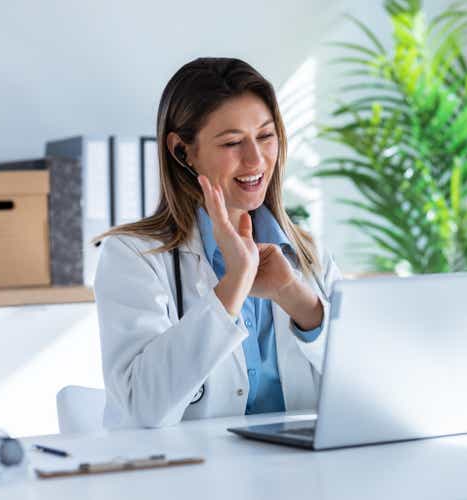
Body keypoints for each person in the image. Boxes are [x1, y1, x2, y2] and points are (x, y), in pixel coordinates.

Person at [94, 57, 341, 429]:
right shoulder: (133, 256)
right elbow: (140, 409)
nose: (255, 159)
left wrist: (296, 297)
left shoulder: (307, 253)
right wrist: (232, 286)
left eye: (265, 136)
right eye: (232, 142)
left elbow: (368, 387)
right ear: (183, 152)